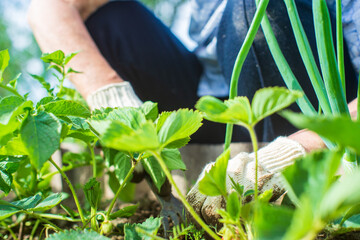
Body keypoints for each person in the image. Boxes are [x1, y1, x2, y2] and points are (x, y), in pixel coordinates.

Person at [27, 0, 359, 224]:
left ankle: (286, 192)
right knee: (111, 18)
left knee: (258, 10)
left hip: (320, 108)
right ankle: (165, 186)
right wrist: (110, 97)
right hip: (211, 98)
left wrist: (300, 147)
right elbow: (47, 7)